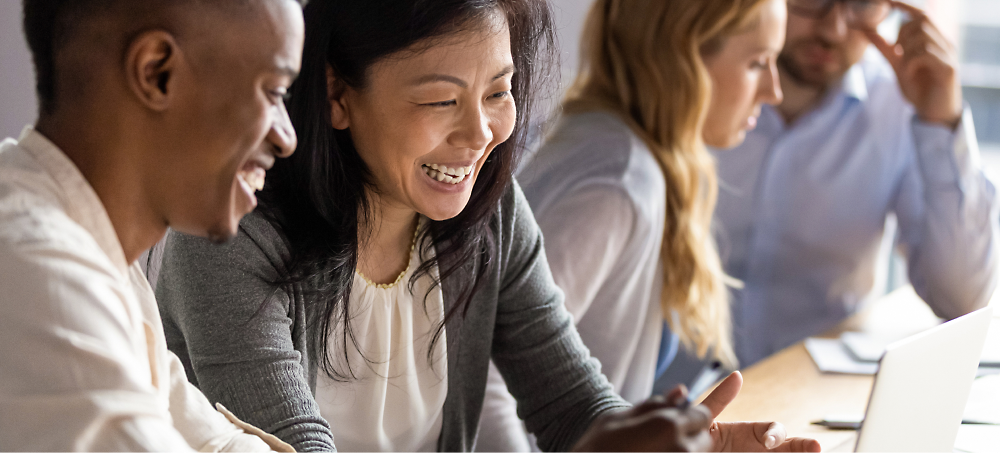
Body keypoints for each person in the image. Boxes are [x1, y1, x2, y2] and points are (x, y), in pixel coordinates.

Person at [153, 0, 820, 452]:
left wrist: (674, 441)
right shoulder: (234, 229)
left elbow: (571, 406)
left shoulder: (486, 211)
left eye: (498, 92)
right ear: (335, 96)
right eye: (441, 99)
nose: (481, 135)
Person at [0, 0, 305, 451]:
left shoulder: (96, 252)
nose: (286, 138)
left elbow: (216, 441)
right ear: (157, 72)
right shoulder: (29, 269)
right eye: (273, 94)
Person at [478, 0, 788, 450]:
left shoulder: (611, 141)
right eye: (758, 62)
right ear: (684, 58)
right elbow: (483, 375)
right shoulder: (618, 185)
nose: (774, 90)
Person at [708, 0, 999, 366]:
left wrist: (941, 122)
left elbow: (963, 300)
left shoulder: (900, 102)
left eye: (861, 4)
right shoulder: (697, 84)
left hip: (814, 389)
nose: (833, 29)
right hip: (673, 392)